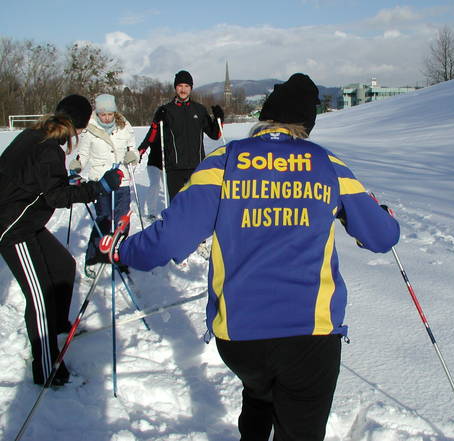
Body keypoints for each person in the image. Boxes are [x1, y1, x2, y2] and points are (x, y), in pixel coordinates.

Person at [101, 73, 400, 440]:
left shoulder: (223, 161)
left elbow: (169, 239)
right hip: (310, 334)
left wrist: (121, 250)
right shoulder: (327, 164)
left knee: (259, 395)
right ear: (306, 124)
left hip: (241, 336)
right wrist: (385, 217)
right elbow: (381, 237)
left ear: (265, 119)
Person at [0, 95, 123, 387]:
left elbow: (37, 181)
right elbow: (55, 196)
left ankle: (57, 328)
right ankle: (47, 368)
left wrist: (63, 180)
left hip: (25, 223)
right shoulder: (48, 149)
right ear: (78, 126)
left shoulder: (35, 136)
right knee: (40, 296)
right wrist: (100, 186)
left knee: (64, 266)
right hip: (12, 230)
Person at [69, 94, 138, 278]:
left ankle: (120, 256)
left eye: (109, 114)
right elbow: (83, 154)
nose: (106, 117)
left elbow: (132, 148)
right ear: (97, 113)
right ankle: (93, 258)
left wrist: (133, 157)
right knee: (104, 219)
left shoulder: (125, 127)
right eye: (102, 114)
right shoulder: (89, 129)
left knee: (122, 221)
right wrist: (77, 165)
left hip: (121, 178)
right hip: (100, 182)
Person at [138, 70, 225, 210]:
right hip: (174, 168)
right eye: (180, 86)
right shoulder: (165, 110)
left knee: (196, 204)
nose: (183, 89)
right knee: (177, 206)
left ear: (191, 88)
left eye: (186, 86)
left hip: (196, 166)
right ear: (175, 88)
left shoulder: (199, 110)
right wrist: (140, 151)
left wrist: (219, 119)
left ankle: (196, 230)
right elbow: (153, 134)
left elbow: (215, 135)